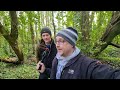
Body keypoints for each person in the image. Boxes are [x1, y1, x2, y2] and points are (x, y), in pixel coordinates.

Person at [50, 27, 120, 79]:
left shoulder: (86, 64)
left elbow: (110, 75)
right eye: (56, 41)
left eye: (62, 41)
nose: (57, 45)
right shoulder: (56, 59)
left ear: (72, 44)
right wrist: (44, 71)